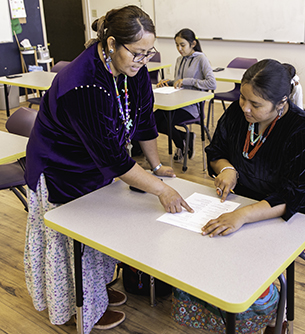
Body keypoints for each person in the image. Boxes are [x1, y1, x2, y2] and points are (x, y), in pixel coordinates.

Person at [23, 5, 192, 334]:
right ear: (112, 43)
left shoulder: (133, 69)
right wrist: (161, 189)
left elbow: (143, 122)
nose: (144, 60)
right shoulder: (82, 83)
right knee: (72, 241)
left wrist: (157, 167)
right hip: (61, 169)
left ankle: (95, 293)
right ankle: (79, 307)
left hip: (94, 166)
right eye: (138, 53)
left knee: (99, 236)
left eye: (149, 52)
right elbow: (115, 160)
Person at [171, 59, 305, 333]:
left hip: (279, 214)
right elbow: (215, 151)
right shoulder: (238, 114)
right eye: (242, 98)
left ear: (281, 103)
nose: (246, 108)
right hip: (238, 202)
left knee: (245, 269)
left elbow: (293, 195)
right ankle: (223, 316)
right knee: (201, 248)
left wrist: (242, 215)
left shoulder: (300, 130)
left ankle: (268, 315)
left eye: (256, 104)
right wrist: (226, 169)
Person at [154, 28, 217, 161]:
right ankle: (184, 138)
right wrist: (168, 82)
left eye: (182, 45)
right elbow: (178, 82)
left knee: (165, 122)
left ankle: (182, 144)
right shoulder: (179, 60)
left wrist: (188, 81)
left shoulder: (201, 59)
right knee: (153, 119)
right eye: (177, 45)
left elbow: (212, 84)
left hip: (192, 108)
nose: (179, 48)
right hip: (176, 103)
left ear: (193, 44)